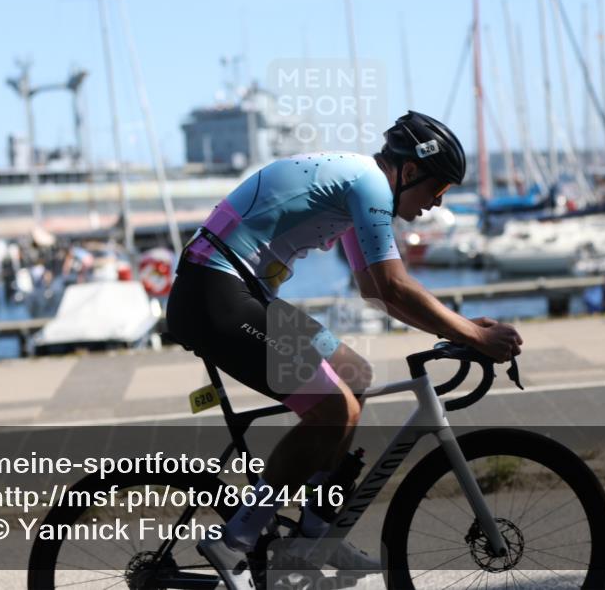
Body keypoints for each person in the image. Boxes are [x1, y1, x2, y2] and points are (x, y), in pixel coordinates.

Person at [166, 111, 523, 588]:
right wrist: (472, 336)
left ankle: (316, 536)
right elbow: (394, 287)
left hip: (238, 292)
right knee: (334, 410)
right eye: (436, 190)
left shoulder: (360, 188)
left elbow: (377, 292)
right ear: (410, 171)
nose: (436, 205)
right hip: (214, 295)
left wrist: (459, 329)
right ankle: (236, 538)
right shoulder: (370, 184)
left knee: (355, 373)